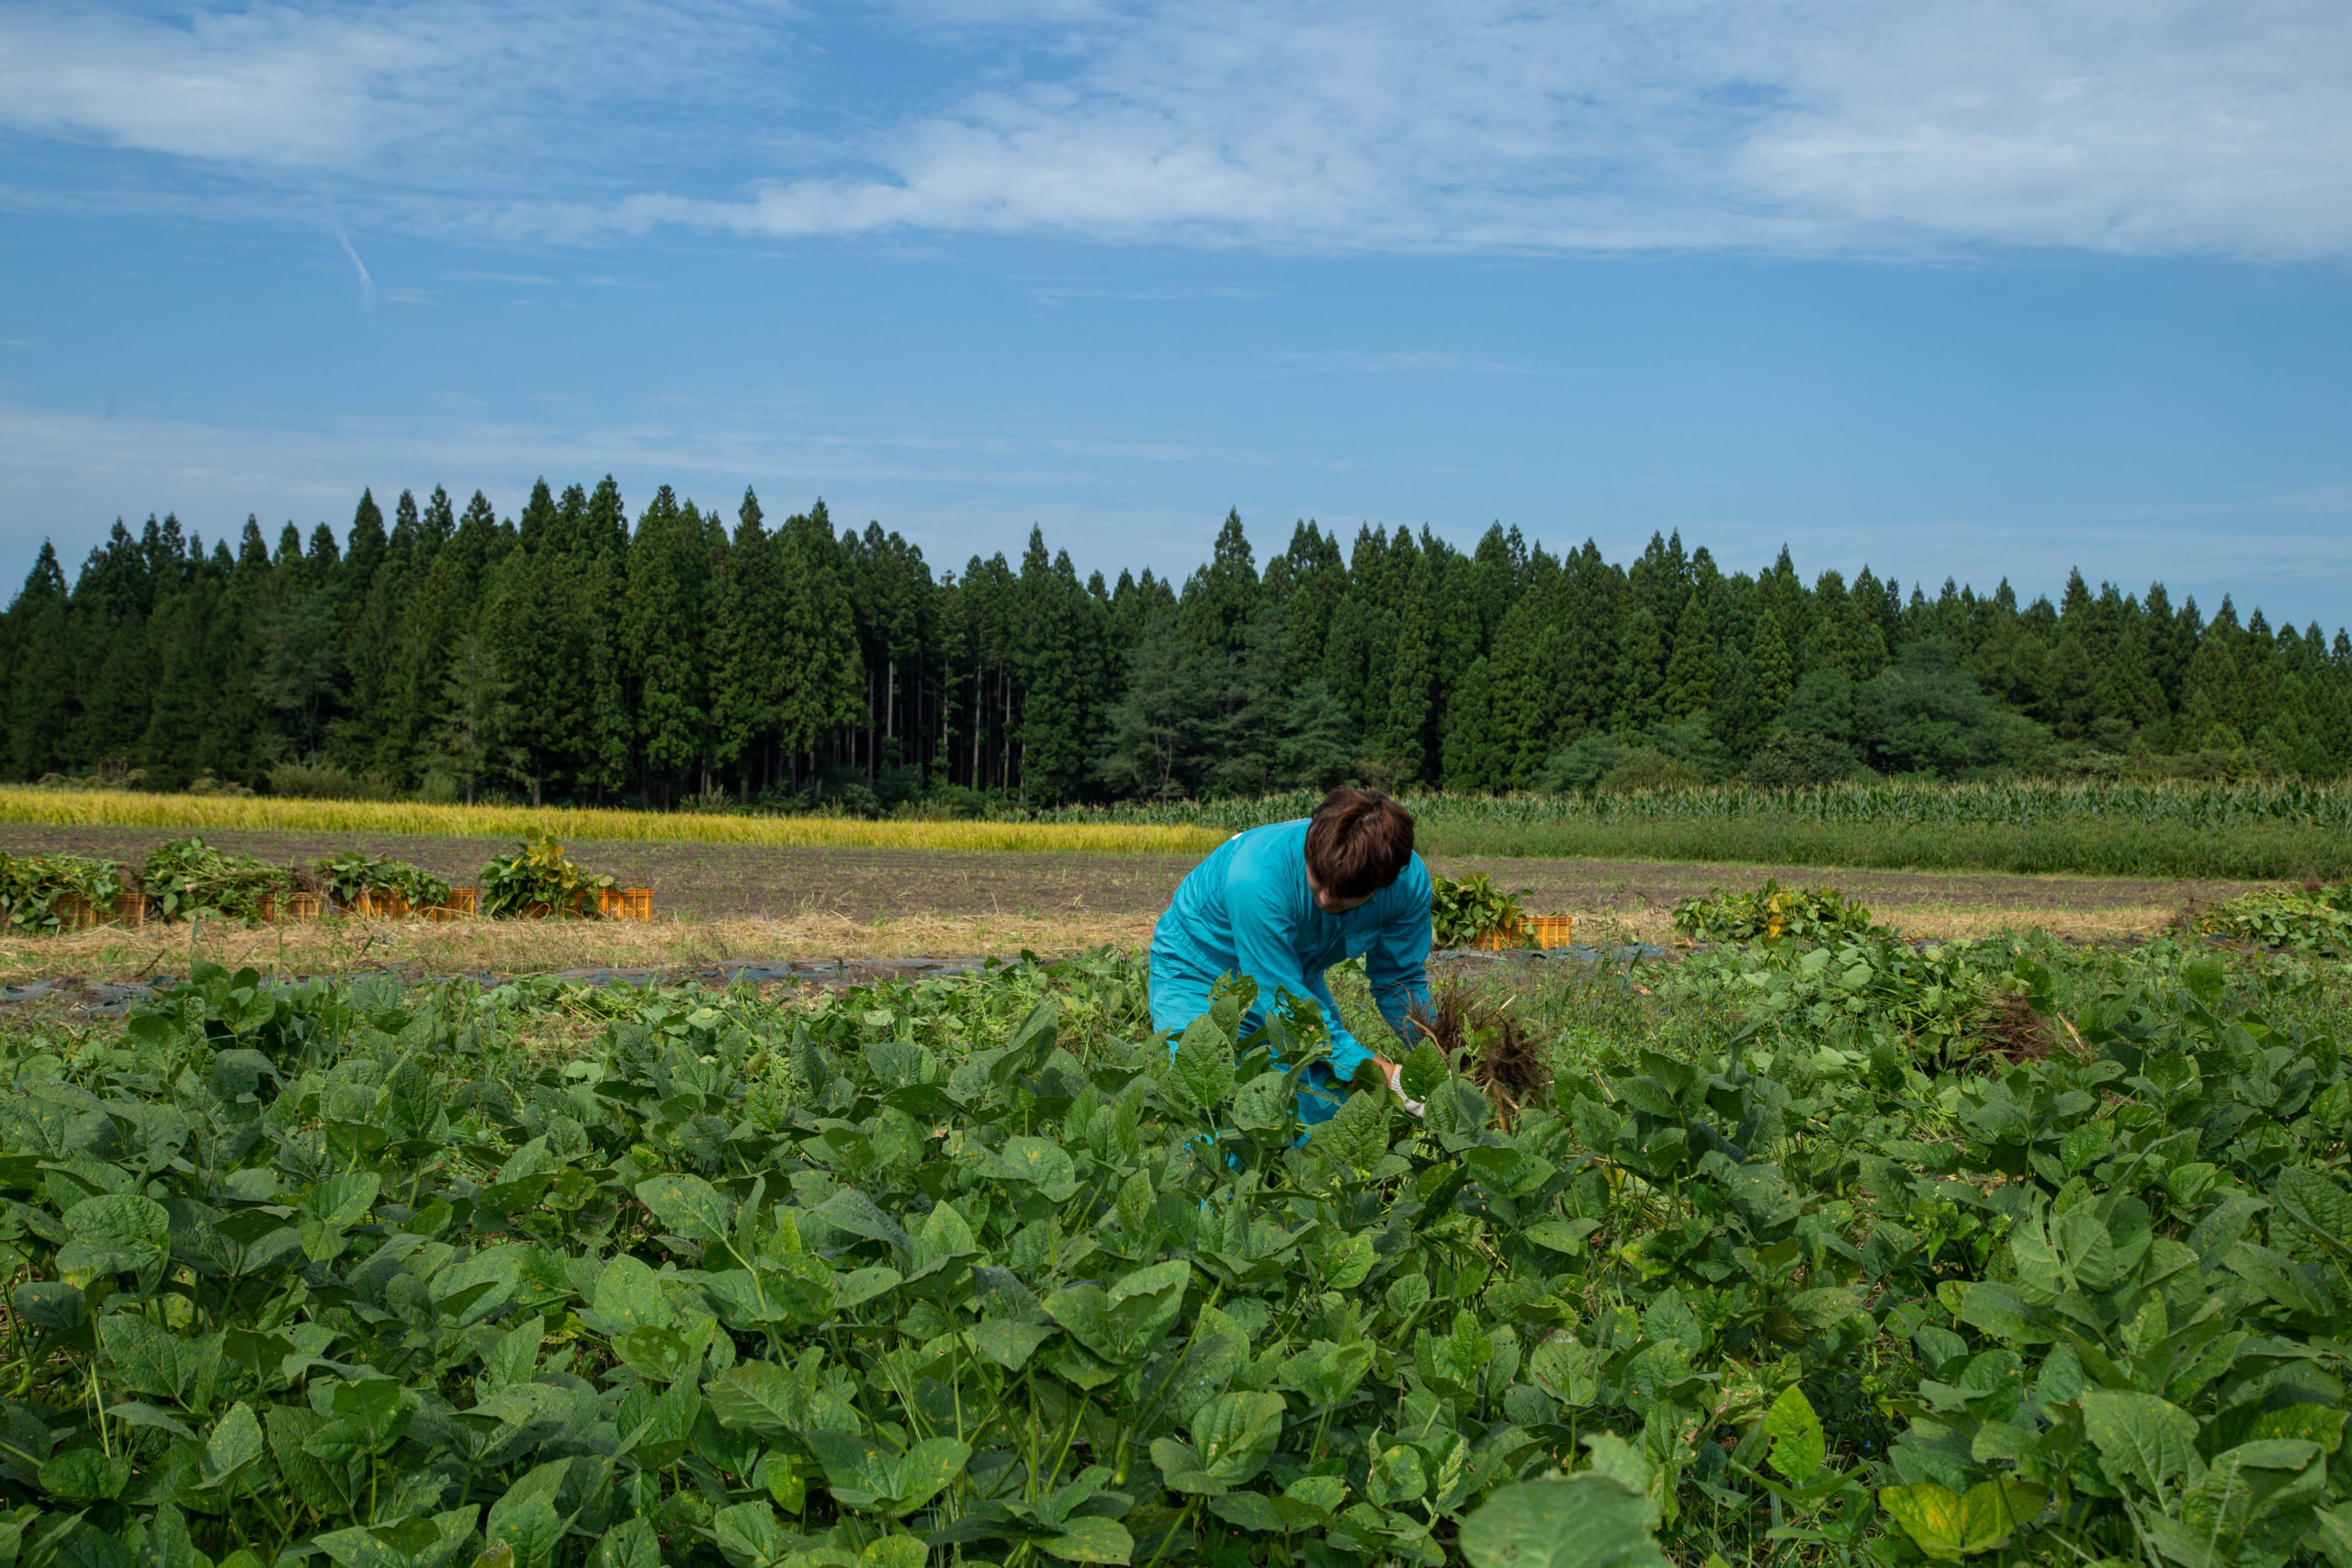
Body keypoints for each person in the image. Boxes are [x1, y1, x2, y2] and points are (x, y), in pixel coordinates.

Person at [1148, 786, 1432, 1122]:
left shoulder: (1407, 884)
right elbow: (1284, 1000)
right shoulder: (1256, 877)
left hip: (1292, 970)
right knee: (1210, 1107)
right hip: (1198, 969)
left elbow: (1399, 981)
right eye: (1318, 882)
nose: (1326, 901)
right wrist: (1378, 1072)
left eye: (1344, 897)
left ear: (1383, 882)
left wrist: (1437, 1056)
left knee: (1328, 1117)